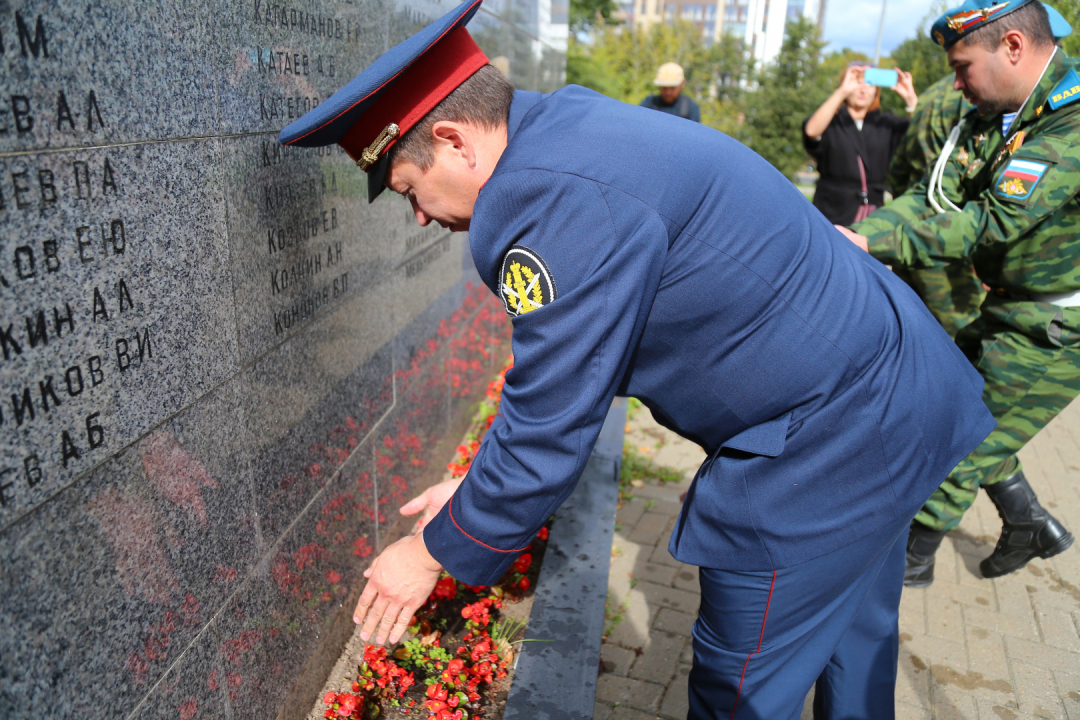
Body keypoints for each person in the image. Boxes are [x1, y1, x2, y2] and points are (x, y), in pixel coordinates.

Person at [279, 1, 994, 717]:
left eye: (409, 189)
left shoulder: (547, 202)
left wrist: (431, 551)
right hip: (895, 389)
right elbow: (575, 366)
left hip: (830, 445)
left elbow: (550, 418)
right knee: (854, 633)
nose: (422, 217)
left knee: (739, 687)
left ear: (455, 142)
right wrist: (473, 489)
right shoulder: (568, 128)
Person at [843, 0, 1079, 587]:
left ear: (1014, 48)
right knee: (952, 407)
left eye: (962, 65)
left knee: (962, 437)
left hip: (1054, 326)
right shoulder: (992, 116)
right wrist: (853, 236)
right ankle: (1028, 524)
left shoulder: (1070, 124)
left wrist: (873, 249)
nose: (955, 82)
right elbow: (930, 199)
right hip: (1008, 305)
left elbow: (986, 222)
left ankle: (908, 562)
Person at [885, 2, 1072, 340]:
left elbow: (995, 218)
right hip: (974, 278)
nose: (956, 84)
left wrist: (875, 240)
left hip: (1041, 321)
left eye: (962, 67)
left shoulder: (1061, 113)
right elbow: (940, 192)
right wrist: (864, 237)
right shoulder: (992, 105)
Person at [803, 63, 919, 225]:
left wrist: (911, 100)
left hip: (872, 212)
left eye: (870, 84)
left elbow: (920, 136)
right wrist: (841, 92)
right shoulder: (831, 121)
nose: (863, 90)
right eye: (858, 83)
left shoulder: (887, 123)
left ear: (876, 90)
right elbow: (811, 131)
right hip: (830, 210)